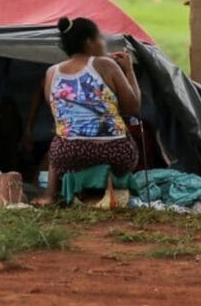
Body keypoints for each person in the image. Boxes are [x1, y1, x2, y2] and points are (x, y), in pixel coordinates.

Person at [34, 16, 141, 205]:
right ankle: (112, 190)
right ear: (89, 42)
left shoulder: (52, 73)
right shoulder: (106, 64)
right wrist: (129, 71)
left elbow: (59, 117)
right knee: (122, 136)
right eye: (100, 38)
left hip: (69, 153)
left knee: (59, 136)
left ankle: (49, 196)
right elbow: (133, 108)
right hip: (115, 151)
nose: (104, 43)